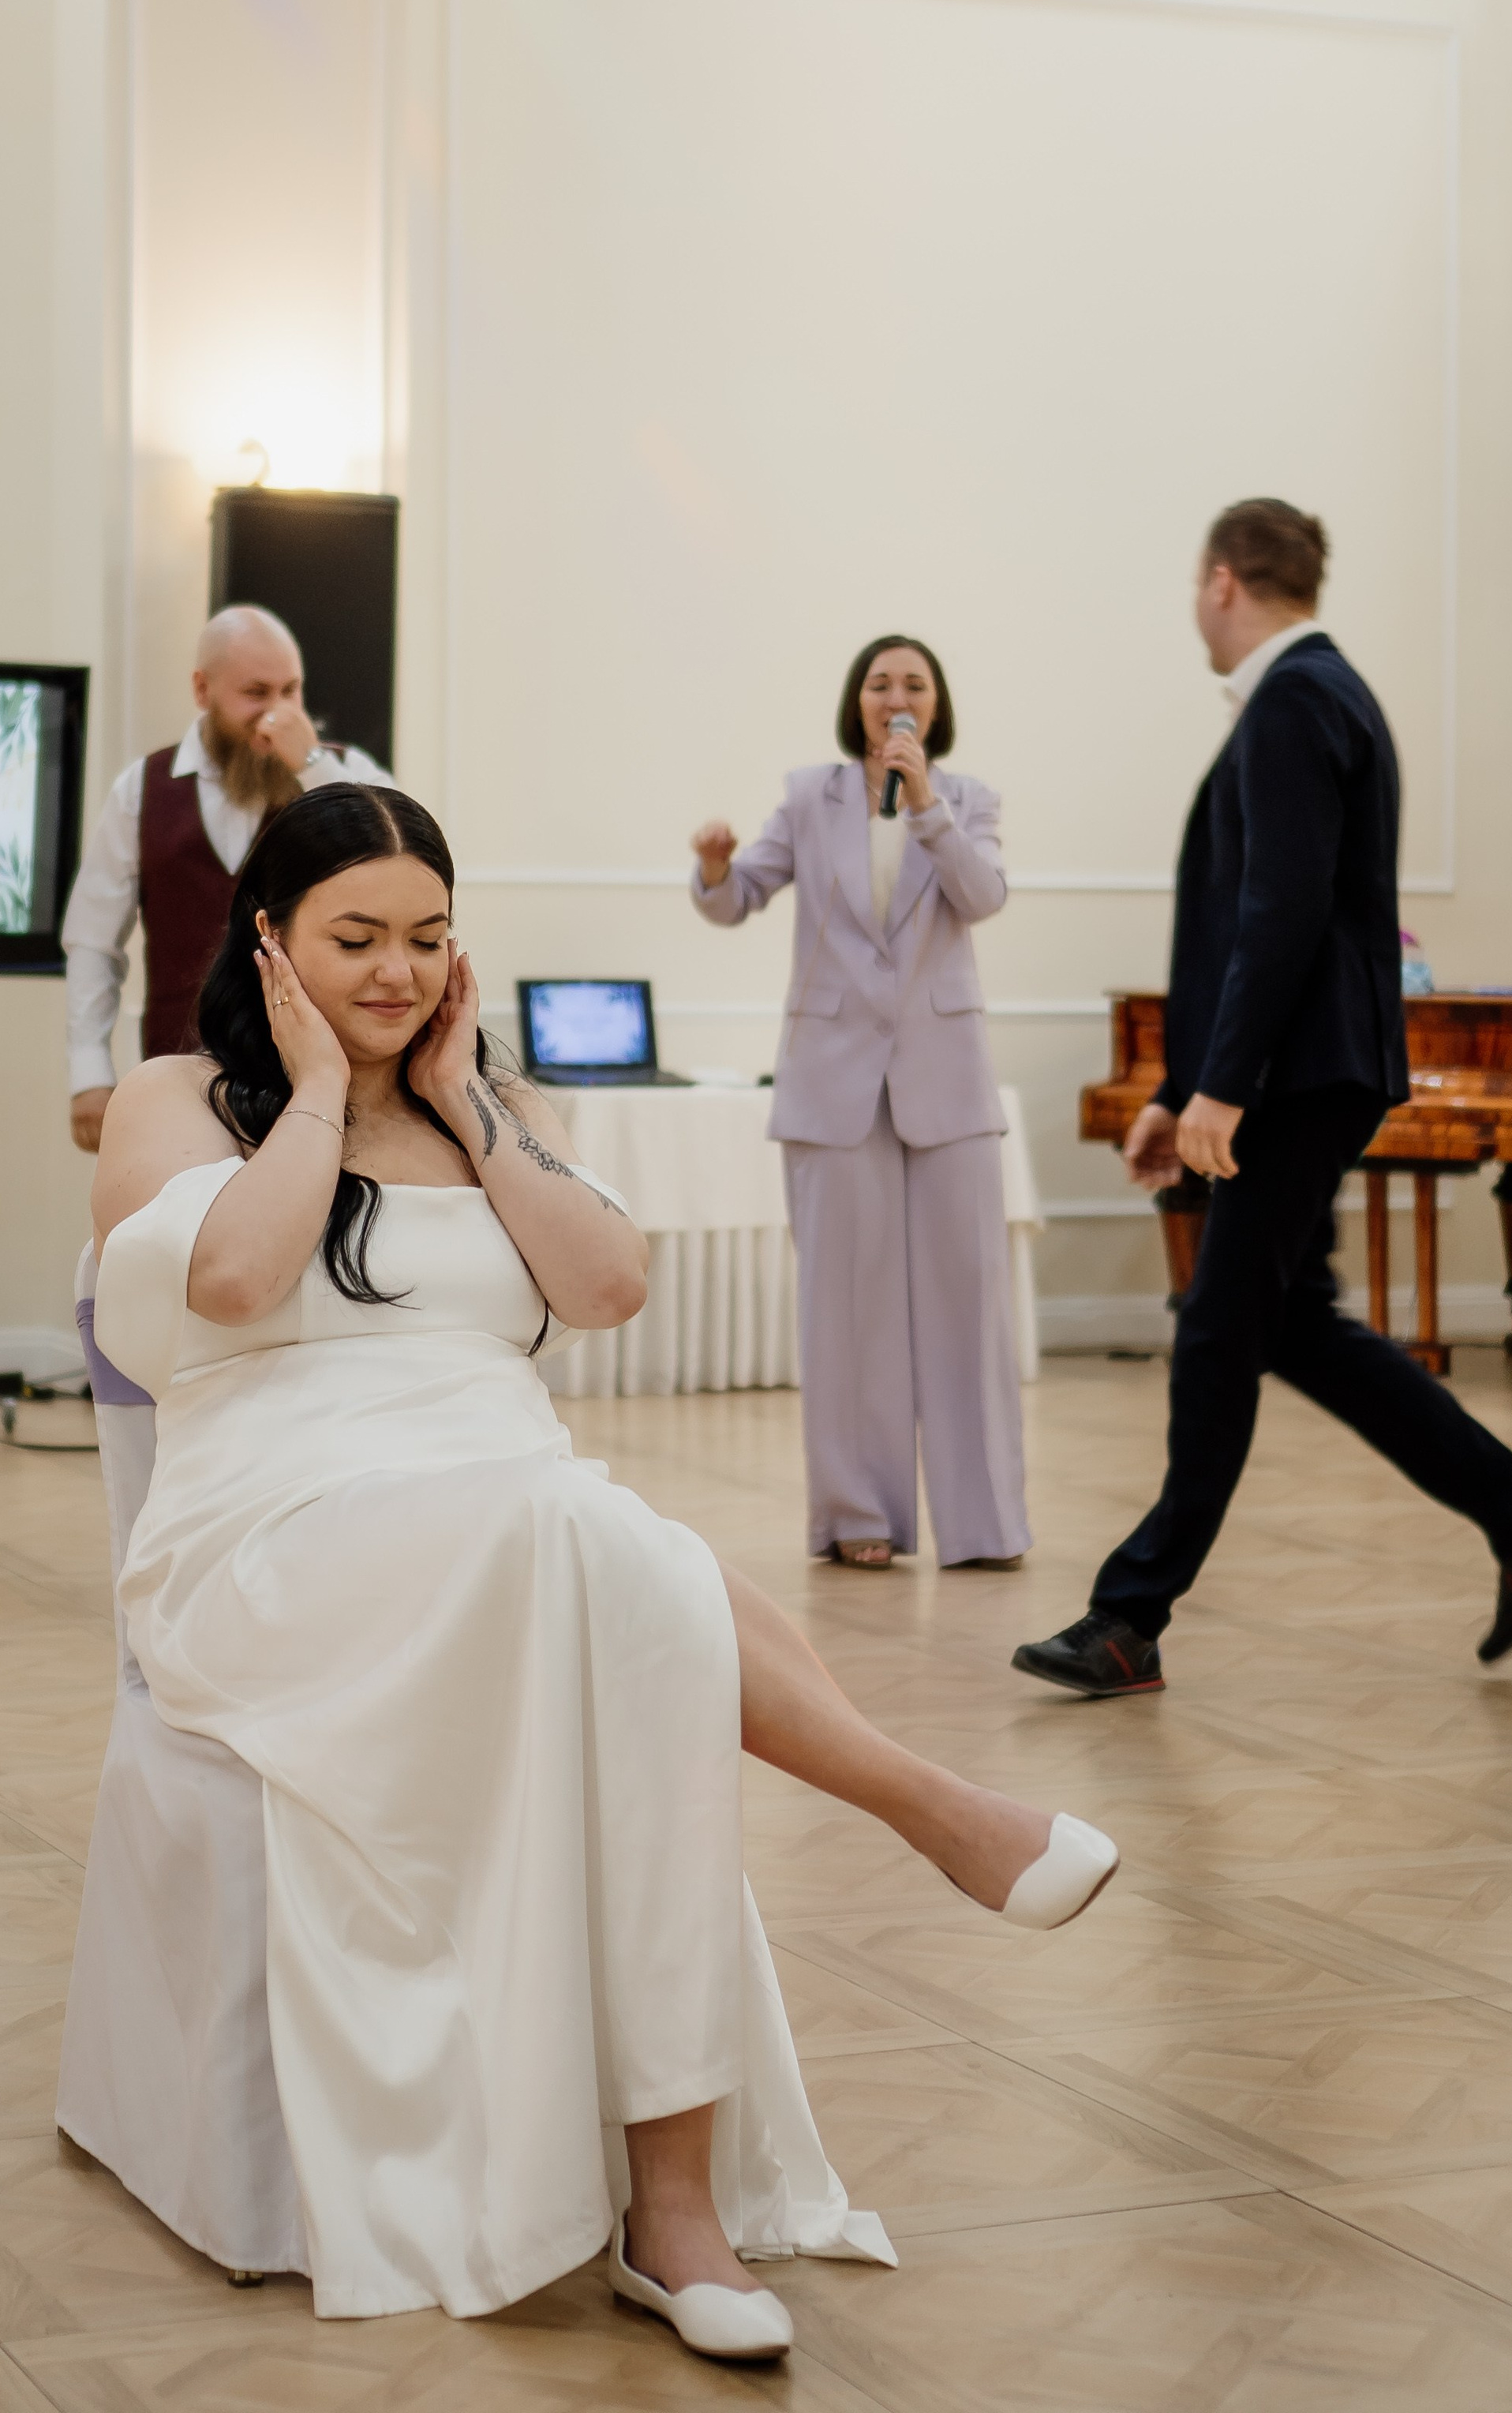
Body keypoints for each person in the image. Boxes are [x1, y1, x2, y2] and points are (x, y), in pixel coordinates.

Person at [88, 782, 1117, 2353]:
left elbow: (608, 1283)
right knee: (607, 1545)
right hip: (273, 1540)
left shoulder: (486, 1104)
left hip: (507, 1516)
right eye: (354, 939)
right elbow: (226, 1283)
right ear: (271, 943)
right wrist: (310, 1090)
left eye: (429, 939)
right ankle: (923, 1809)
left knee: (600, 1559)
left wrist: (470, 1103)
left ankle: (675, 2210)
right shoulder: (176, 1095)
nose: (397, 972)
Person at [1014, 500, 1512, 1699]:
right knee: (1290, 1327)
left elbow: (1279, 912)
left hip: (1296, 1073)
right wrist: (1183, 1090)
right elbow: (1258, 917)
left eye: (1196, 586)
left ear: (1225, 580)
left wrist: (1222, 1086)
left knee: (1221, 1329)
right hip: (1304, 1068)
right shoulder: (1324, 695)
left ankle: (1130, 1616)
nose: (1195, 608)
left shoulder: (1293, 700)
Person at [689, 635, 1029, 1572]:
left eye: (914, 683)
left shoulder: (967, 802)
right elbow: (737, 900)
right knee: (844, 1309)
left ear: (934, 706)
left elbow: (982, 894)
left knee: (969, 1303)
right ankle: (855, 1517)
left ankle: (985, 1523)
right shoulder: (809, 796)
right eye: (880, 683)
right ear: (857, 702)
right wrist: (716, 870)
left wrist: (924, 806)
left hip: (945, 1080)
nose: (896, 696)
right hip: (832, 1082)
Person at [63, 605, 389, 1154]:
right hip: (179, 1076)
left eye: (291, 692)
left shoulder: (341, 771)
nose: (277, 715)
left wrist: (311, 765)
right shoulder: (142, 789)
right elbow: (93, 940)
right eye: (257, 693)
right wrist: (89, 1068)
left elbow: (390, 868)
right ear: (201, 689)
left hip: (321, 1082)